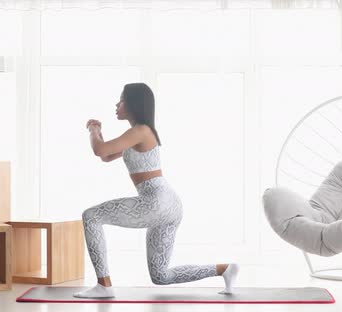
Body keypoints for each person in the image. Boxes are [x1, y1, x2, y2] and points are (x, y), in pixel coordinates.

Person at [74, 82, 239, 298]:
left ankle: (104, 286)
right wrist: (99, 133)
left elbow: (99, 150)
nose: (117, 104)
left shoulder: (140, 131)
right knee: (161, 276)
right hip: (169, 204)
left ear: (133, 104)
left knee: (91, 216)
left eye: (121, 100)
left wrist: (92, 130)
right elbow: (106, 155)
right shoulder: (140, 133)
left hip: (155, 201)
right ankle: (224, 269)